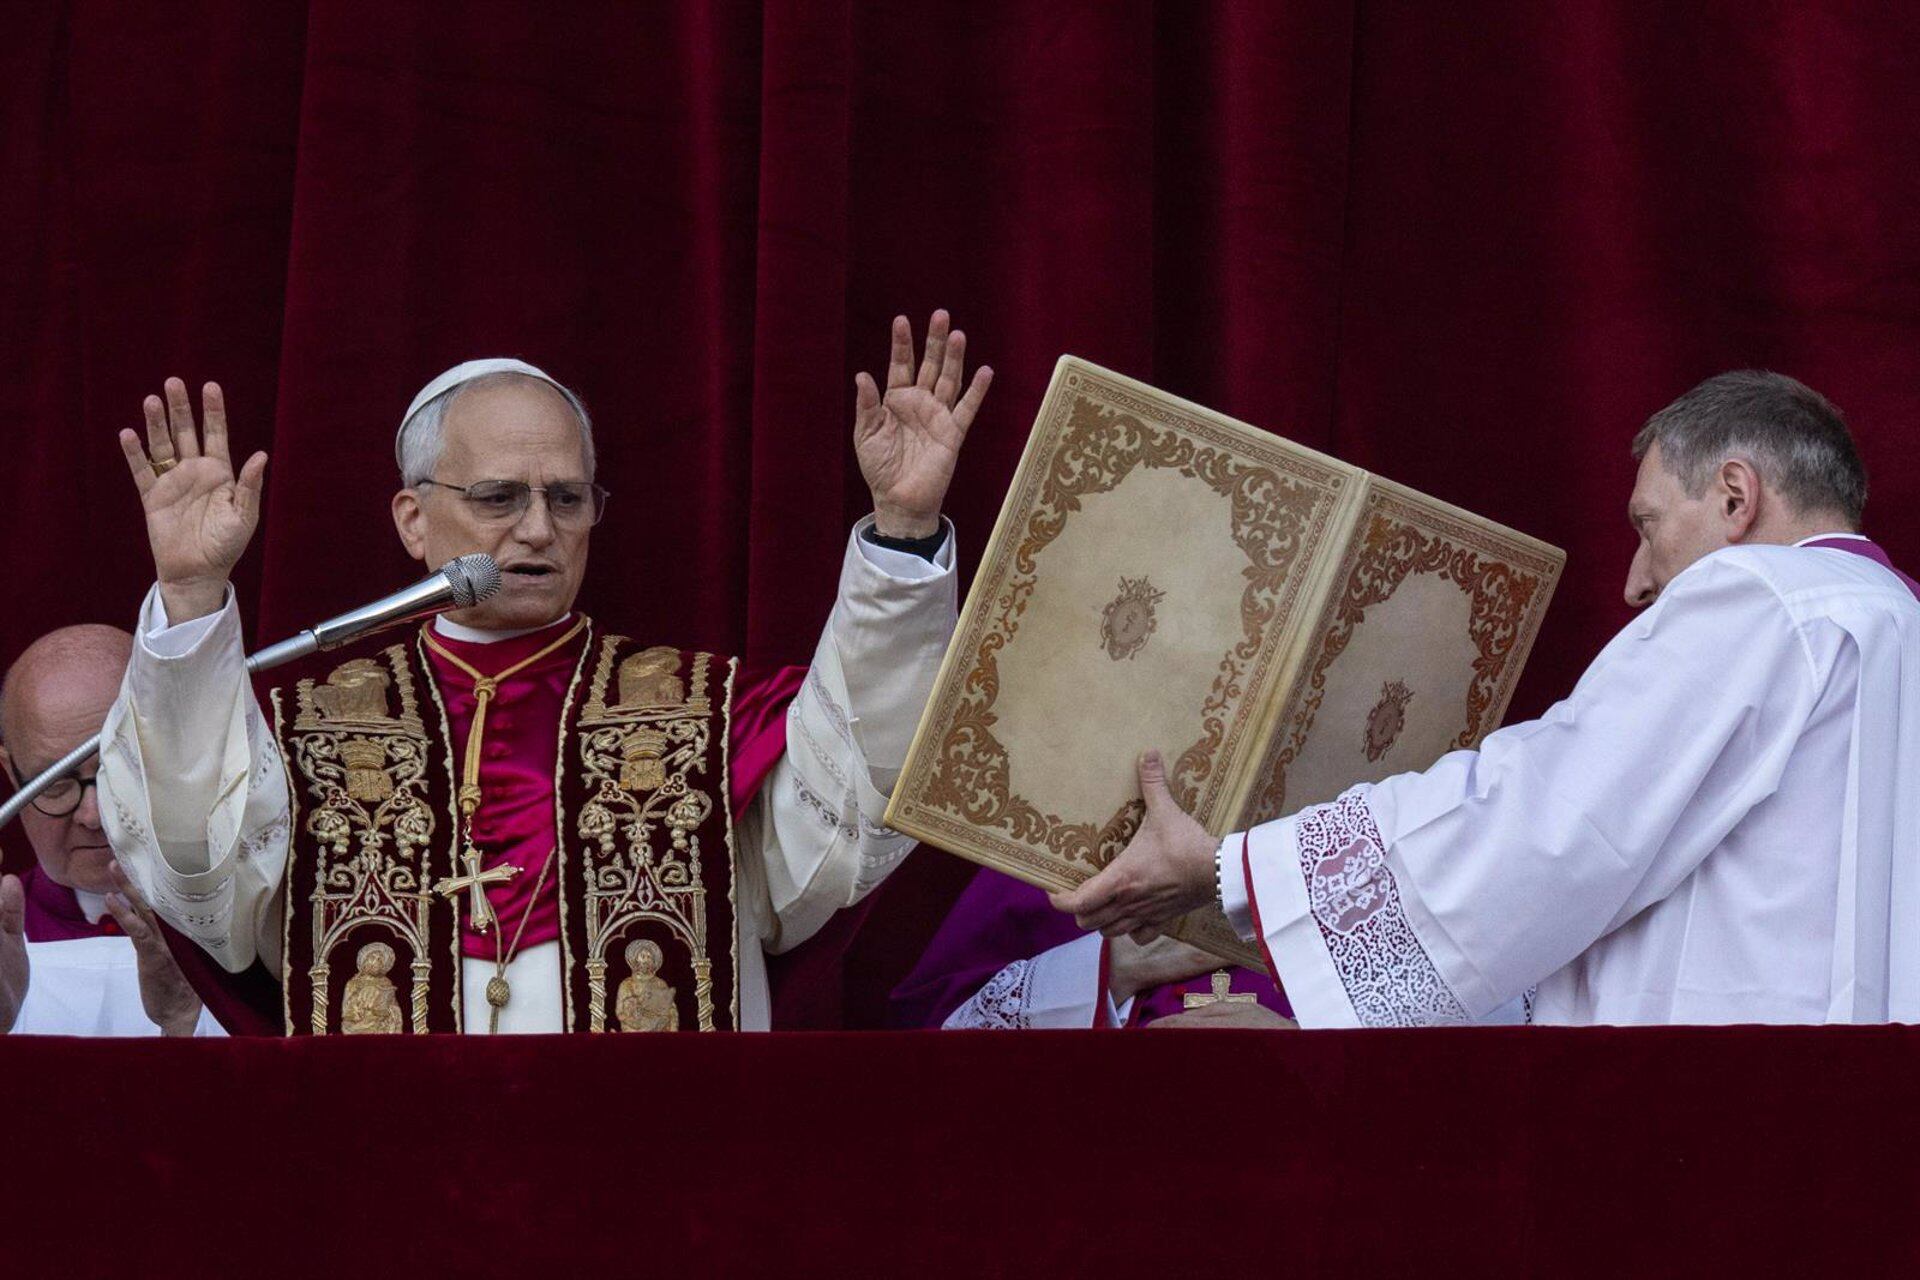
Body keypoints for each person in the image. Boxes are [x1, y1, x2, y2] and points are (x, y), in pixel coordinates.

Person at [99, 311, 992, 1034]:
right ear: (413, 520)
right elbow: (202, 880)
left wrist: (902, 537)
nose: (537, 529)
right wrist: (191, 596)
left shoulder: (708, 714)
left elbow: (854, 810)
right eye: (499, 497)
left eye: (567, 498)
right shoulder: (305, 729)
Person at [1053, 370, 1920, 1026]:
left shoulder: (1759, 598)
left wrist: (1230, 867)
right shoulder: (1896, 620)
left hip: (1730, 1110)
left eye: (1647, 525)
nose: (1635, 582)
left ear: (1735, 497)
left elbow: (1551, 820)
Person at [0, 625, 219, 1036]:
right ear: (12, 776)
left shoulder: (260, 929)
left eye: (119, 771)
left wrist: (184, 1019)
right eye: (55, 783)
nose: (94, 815)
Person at [892, 866, 1292, 1029]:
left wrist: (1310, 1055)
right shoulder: (1050, 843)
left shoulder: (1325, 843)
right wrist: (1114, 966)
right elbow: (923, 1059)